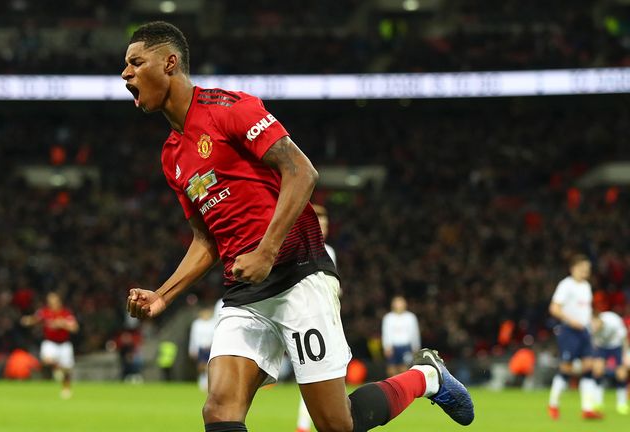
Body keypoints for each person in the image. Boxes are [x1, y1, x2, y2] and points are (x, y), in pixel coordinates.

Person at [123, 21, 474, 432]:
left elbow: (302, 172)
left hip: (297, 276)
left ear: (169, 62)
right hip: (245, 293)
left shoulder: (229, 107)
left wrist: (267, 251)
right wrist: (163, 295)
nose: (126, 74)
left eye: (135, 62)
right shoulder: (172, 156)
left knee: (336, 424)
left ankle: (426, 377)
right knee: (219, 410)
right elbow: (206, 239)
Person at [296, 204, 337, 432]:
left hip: (324, 320)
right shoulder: (299, 248)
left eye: (326, 223)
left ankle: (303, 425)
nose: (324, 227)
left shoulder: (329, 252)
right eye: (319, 222)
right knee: (314, 375)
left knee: (318, 377)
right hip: (305, 319)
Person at [547, 254, 601, 420]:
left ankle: (587, 408)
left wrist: (593, 321)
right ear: (573, 269)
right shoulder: (566, 285)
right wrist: (572, 321)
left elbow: (586, 310)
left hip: (584, 331)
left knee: (588, 365)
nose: (585, 271)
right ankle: (553, 404)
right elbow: (554, 308)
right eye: (582, 268)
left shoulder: (586, 286)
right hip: (568, 330)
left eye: (587, 269)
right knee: (566, 368)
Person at [21, 292, 79, 399]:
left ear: (59, 301)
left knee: (67, 370)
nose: (51, 302)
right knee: (46, 359)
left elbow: (75, 328)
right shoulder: (45, 312)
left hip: (64, 344)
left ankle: (66, 389)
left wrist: (62, 324)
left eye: (54, 300)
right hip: (50, 342)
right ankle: (57, 370)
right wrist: (28, 320)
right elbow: (35, 319)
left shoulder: (66, 313)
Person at [591, 310, 629, 415]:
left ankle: (622, 404)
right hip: (602, 346)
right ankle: (598, 402)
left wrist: (625, 355)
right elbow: (591, 341)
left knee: (621, 374)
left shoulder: (613, 321)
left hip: (616, 345)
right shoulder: (591, 327)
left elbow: (624, 338)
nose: (594, 326)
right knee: (597, 370)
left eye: (595, 323)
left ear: (600, 320)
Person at [382, 296, 421, 377]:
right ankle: (392, 387)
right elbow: (386, 333)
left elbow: (414, 333)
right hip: (393, 347)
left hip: (406, 347)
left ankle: (402, 388)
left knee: (404, 369)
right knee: (391, 369)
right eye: (396, 303)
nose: (398, 305)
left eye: (400, 302)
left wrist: (416, 347)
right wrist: (386, 347)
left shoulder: (410, 317)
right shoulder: (388, 318)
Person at [189, 305, 218, 391]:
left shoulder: (213, 323)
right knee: (201, 366)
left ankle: (208, 382)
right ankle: (202, 380)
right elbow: (193, 337)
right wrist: (192, 348)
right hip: (201, 347)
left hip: (210, 347)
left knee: (209, 366)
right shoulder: (197, 323)